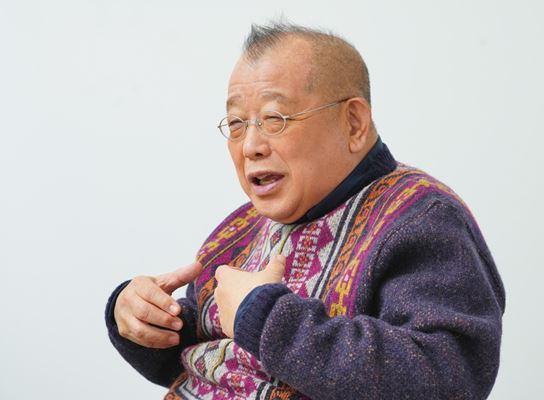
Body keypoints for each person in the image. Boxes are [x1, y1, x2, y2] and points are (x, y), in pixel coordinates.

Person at [105, 22, 505, 400]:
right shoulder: (239, 230)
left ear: (353, 123)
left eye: (274, 119)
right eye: (236, 123)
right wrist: (145, 320)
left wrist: (266, 317)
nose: (250, 146)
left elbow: (447, 378)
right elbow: (209, 359)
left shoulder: (420, 218)